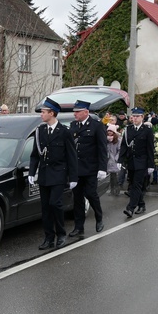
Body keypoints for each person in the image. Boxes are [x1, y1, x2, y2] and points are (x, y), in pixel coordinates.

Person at [29, 97, 78, 250]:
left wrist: (73, 177)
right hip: (44, 174)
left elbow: (71, 156)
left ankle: (61, 234)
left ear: (52, 113)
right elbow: (35, 154)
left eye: (43, 112)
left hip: (58, 174)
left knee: (55, 204)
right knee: (45, 207)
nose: (41, 115)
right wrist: (32, 172)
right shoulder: (40, 131)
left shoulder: (64, 132)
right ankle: (48, 237)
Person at [69, 100, 108, 238]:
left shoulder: (97, 126)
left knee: (91, 194)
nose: (75, 114)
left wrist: (103, 168)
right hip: (76, 169)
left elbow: (103, 149)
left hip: (91, 168)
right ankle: (79, 227)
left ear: (86, 112)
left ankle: (99, 217)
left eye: (77, 112)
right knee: (77, 198)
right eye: (74, 112)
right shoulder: (73, 125)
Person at [119, 107, 155, 217]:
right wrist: (120, 160)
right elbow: (124, 146)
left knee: (136, 185)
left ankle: (130, 208)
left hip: (142, 161)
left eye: (137, 116)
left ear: (142, 117)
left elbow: (150, 148)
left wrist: (150, 164)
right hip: (131, 161)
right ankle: (141, 204)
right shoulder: (128, 129)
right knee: (133, 184)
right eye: (133, 116)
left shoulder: (147, 130)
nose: (134, 118)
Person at [106, 124, 122, 195]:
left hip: (114, 160)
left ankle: (116, 189)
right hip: (108, 159)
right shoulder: (106, 139)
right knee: (110, 176)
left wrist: (116, 158)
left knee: (115, 176)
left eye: (111, 131)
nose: (109, 132)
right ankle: (112, 189)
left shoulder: (118, 140)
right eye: (108, 131)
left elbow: (119, 150)